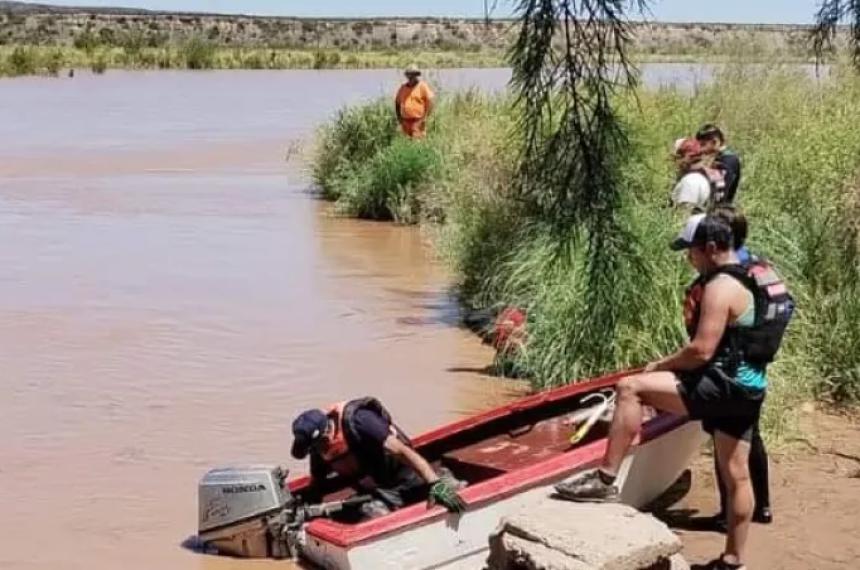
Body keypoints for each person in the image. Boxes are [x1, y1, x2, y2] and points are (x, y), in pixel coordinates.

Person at [556, 213, 786, 570]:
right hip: (751, 386)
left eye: (691, 252)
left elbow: (701, 351)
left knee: (630, 387)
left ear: (710, 248)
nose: (688, 258)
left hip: (721, 383)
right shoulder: (755, 274)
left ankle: (604, 480)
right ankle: (732, 560)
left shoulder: (720, 286)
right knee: (736, 473)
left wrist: (660, 366)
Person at [291, 397, 465, 517]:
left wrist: (434, 483)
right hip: (379, 492)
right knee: (369, 514)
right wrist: (302, 509)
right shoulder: (318, 452)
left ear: (326, 433)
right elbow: (316, 486)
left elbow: (402, 451)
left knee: (453, 492)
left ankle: (442, 478)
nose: (319, 451)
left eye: (319, 445)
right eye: (314, 449)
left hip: (408, 476)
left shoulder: (359, 421)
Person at [696, 124, 742, 204]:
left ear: (714, 142)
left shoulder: (728, 160)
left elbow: (720, 190)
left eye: (703, 144)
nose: (700, 149)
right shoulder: (718, 157)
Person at [671, 138, 717, 211]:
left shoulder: (691, 181)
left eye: (676, 159)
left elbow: (684, 214)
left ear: (685, 158)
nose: (674, 163)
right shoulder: (698, 177)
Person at [395, 64, 434, 139]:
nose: (411, 77)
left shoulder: (422, 86)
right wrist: (399, 119)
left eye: (413, 74)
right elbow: (397, 103)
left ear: (416, 75)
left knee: (417, 143)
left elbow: (431, 102)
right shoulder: (403, 88)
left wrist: (424, 118)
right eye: (409, 74)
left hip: (418, 121)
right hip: (405, 121)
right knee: (406, 143)